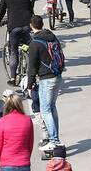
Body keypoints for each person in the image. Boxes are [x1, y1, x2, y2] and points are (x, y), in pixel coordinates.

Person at [26, 14, 64, 153]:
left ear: (31, 25)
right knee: (52, 107)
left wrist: (29, 86)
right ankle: (55, 138)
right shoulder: (52, 36)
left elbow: (32, 67)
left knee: (45, 109)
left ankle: (54, 141)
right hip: (57, 76)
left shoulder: (35, 43)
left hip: (46, 79)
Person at [0, 0, 34, 84]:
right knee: (31, 47)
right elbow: (32, 3)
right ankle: (34, 71)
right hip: (27, 24)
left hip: (14, 26)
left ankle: (12, 77)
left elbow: (1, 11)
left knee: (13, 51)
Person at [0, 92, 33, 171]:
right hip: (24, 162)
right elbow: (30, 144)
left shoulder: (1, 121)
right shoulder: (27, 120)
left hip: (7, 163)